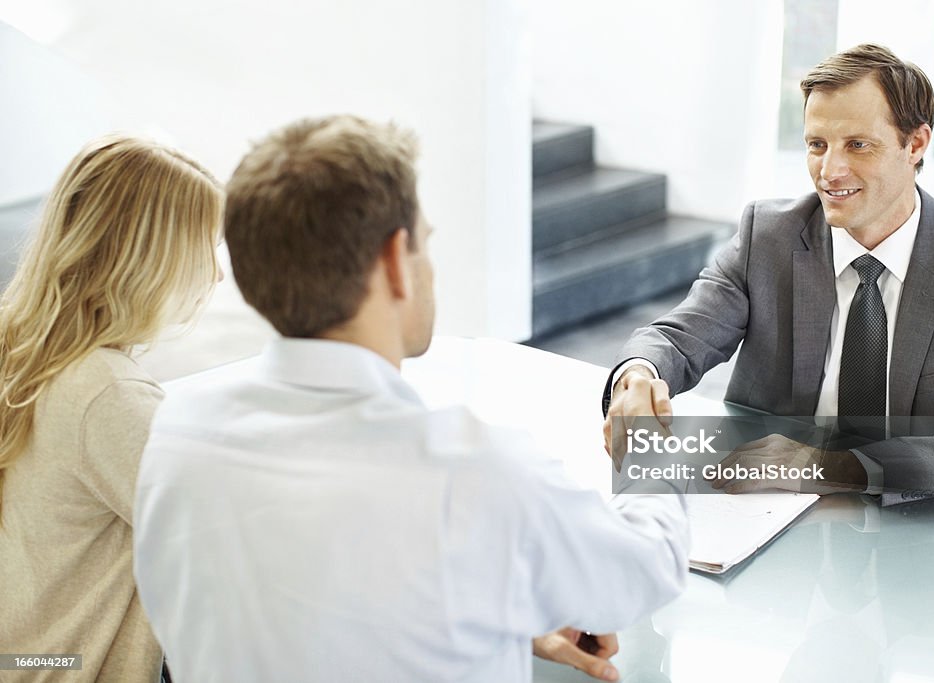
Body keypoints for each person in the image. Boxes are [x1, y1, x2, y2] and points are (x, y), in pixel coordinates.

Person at [132, 115, 689, 683]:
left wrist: (495, 615)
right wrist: (642, 436)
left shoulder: (178, 435)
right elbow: (648, 567)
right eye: (425, 243)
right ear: (397, 261)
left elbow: (305, 610)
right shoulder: (471, 468)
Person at [604, 43, 934, 502]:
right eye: (817, 145)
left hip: (917, 519)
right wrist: (638, 375)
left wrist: (831, 467)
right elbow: (677, 337)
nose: (830, 170)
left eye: (857, 145)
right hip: (768, 508)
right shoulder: (768, 236)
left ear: (915, 144)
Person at [0, 135, 223, 681]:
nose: (217, 274)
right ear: (149, 257)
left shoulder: (25, 351)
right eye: (206, 248)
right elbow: (225, 538)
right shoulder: (106, 396)